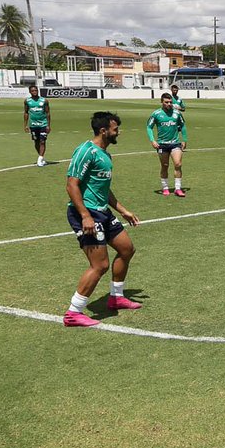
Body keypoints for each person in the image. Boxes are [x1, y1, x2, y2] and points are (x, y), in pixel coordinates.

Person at [63, 111, 142, 327]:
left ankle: (116, 298)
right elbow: (72, 185)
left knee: (127, 249)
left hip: (102, 212)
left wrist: (123, 210)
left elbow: (103, 190)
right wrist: (85, 216)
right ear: (103, 130)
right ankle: (73, 312)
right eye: (115, 129)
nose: (118, 132)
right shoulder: (86, 151)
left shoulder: (105, 154)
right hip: (86, 213)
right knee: (100, 265)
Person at [147, 93, 186, 197]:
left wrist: (184, 140)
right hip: (162, 145)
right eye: (166, 102)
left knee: (178, 164)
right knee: (165, 166)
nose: (169, 104)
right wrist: (153, 140)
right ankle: (165, 188)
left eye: (170, 102)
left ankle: (178, 189)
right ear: (162, 102)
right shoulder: (156, 114)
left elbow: (183, 126)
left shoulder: (177, 113)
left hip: (175, 143)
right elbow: (149, 127)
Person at [23, 85, 51, 167]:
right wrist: (25, 125)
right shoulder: (27, 101)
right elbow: (26, 112)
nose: (34, 92)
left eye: (36, 90)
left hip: (43, 124)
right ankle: (41, 157)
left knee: (42, 141)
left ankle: (40, 159)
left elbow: (48, 113)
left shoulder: (44, 100)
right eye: (32, 91)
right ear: (30, 92)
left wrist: (48, 125)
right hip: (33, 125)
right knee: (36, 141)